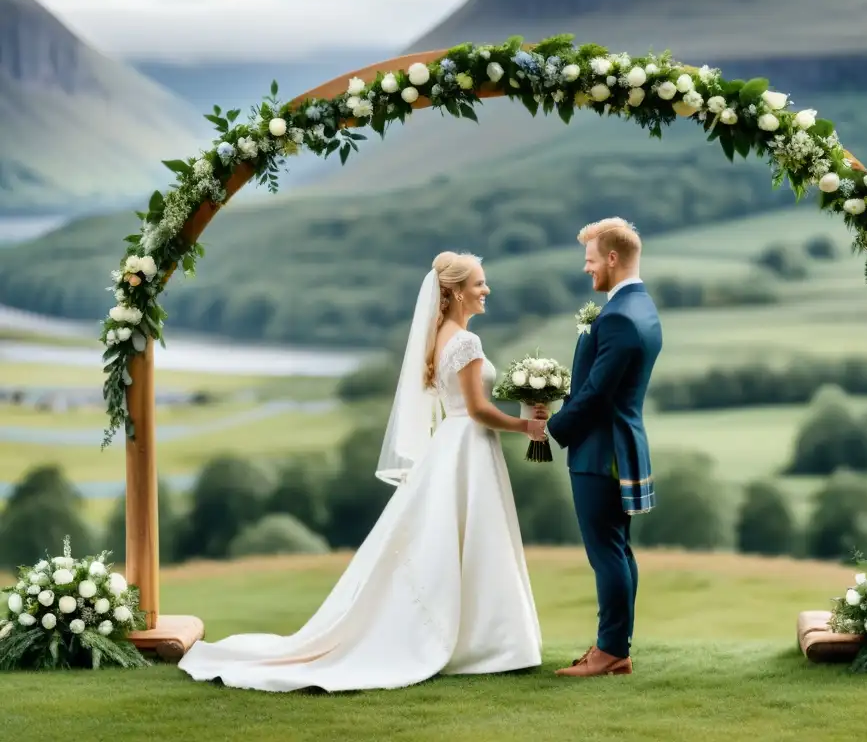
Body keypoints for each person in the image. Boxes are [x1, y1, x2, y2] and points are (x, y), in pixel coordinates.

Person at [177, 251, 548, 692]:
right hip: (468, 444)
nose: (486, 291)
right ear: (453, 292)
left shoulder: (441, 336)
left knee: (461, 538)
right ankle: (490, 644)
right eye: (478, 285)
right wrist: (527, 425)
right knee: (477, 535)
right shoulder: (466, 343)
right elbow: (478, 410)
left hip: (452, 445)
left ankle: (486, 641)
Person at [544, 217, 663, 678]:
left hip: (601, 452)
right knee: (618, 550)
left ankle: (610, 651)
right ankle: (616, 648)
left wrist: (553, 428)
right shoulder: (641, 307)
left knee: (606, 553)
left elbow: (595, 394)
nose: (586, 268)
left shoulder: (616, 317)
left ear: (612, 258)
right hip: (622, 445)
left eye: (590, 259)